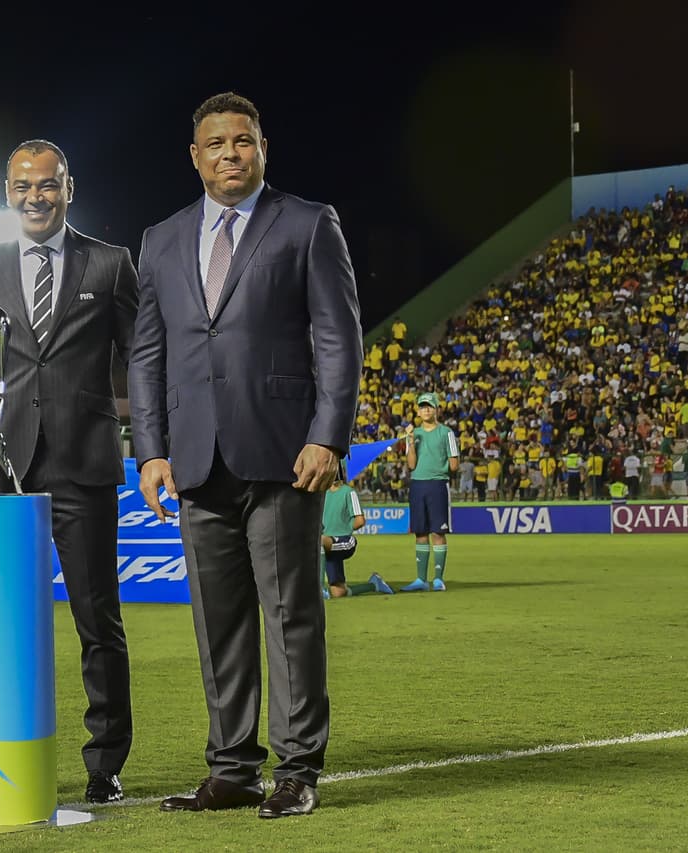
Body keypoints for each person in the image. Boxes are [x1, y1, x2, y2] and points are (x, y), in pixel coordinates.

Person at [128, 92, 362, 819]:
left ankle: (297, 769)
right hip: (195, 460)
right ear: (193, 156)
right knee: (217, 619)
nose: (230, 153)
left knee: (291, 613)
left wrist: (329, 434)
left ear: (263, 147)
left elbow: (339, 337)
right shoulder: (161, 239)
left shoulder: (307, 223)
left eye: (243, 140)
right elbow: (148, 355)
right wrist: (150, 452)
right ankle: (232, 768)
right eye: (216, 143)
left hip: (284, 453)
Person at [0, 139, 138, 804]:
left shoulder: (110, 265)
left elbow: (143, 363)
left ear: (68, 187)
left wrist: (156, 443)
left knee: (96, 620)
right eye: (22, 186)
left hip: (85, 468)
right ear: (7, 191)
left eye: (47, 184)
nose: (35, 197)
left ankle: (104, 763)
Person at [402, 392, 459, 592]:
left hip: (437, 484)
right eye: (422, 407)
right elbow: (411, 465)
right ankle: (420, 579)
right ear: (418, 410)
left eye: (429, 406)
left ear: (436, 409)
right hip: (418, 484)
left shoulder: (446, 433)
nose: (425, 410)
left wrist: (439, 467)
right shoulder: (413, 433)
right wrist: (410, 441)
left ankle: (438, 579)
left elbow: (454, 465)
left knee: (438, 531)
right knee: (420, 532)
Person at [321, 475, 393, 599]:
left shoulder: (349, 492)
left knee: (319, 541)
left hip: (344, 541)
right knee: (338, 592)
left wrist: (343, 527)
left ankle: (320, 589)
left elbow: (360, 520)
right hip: (327, 545)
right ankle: (374, 584)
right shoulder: (322, 493)